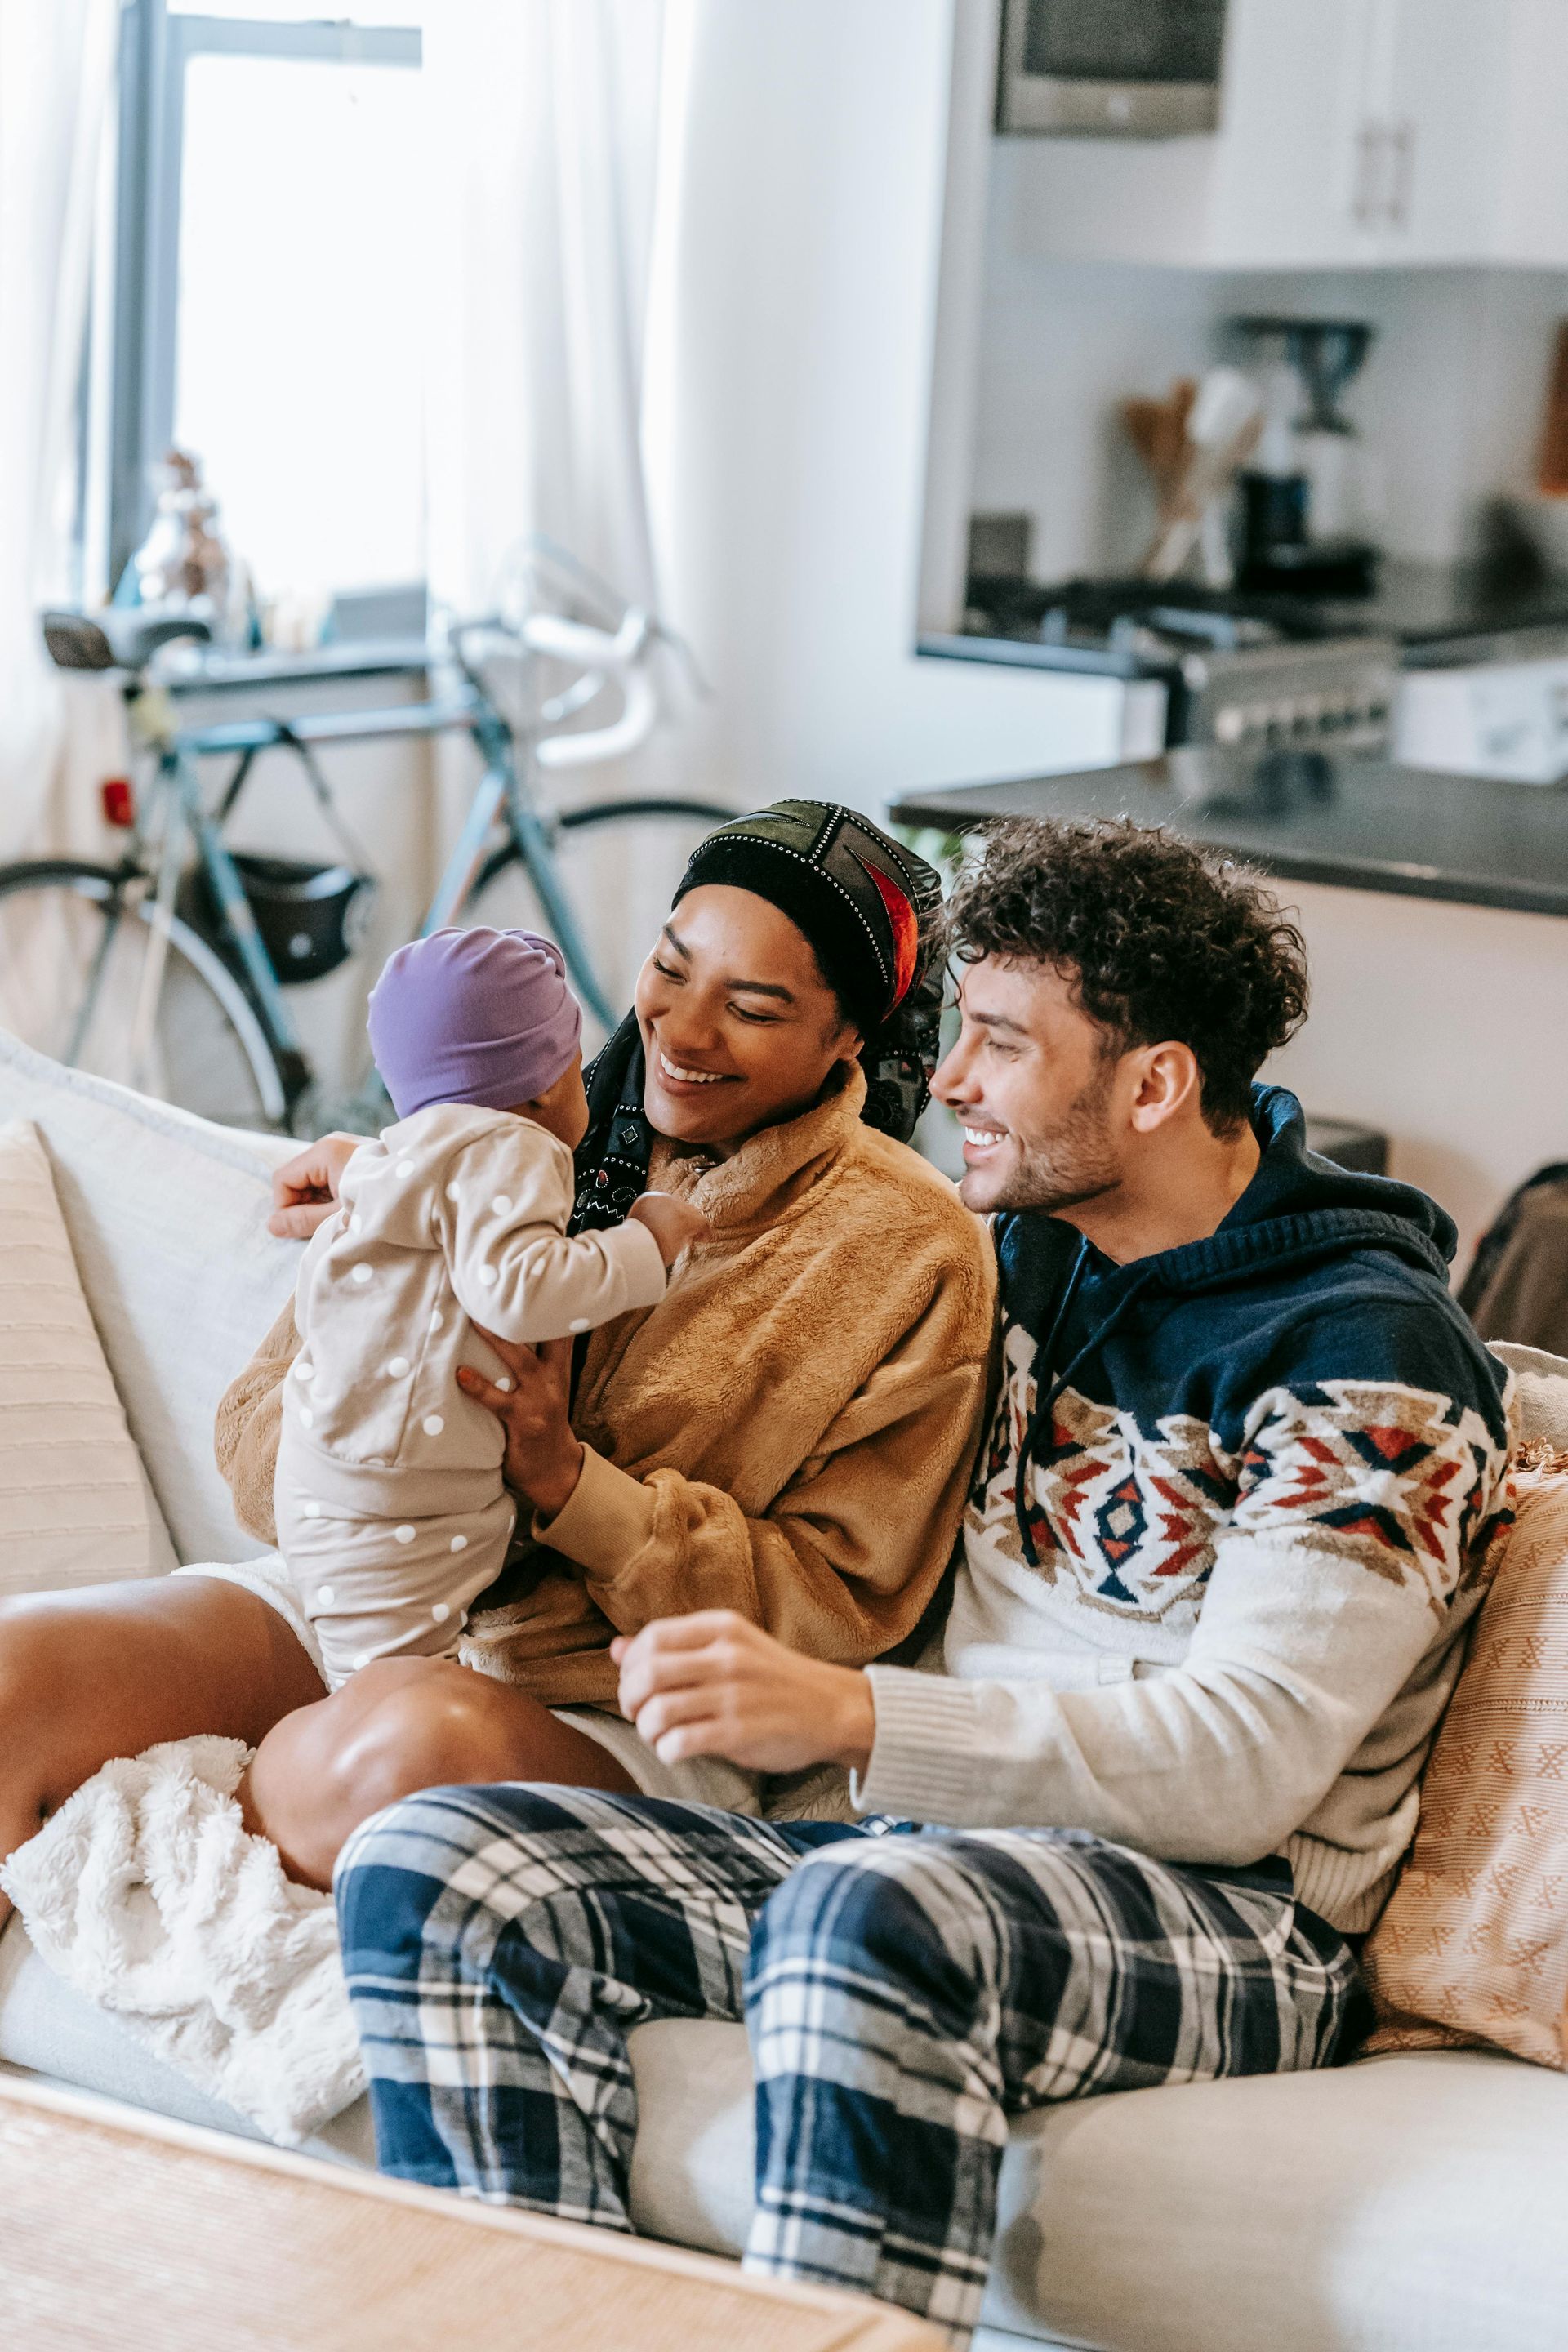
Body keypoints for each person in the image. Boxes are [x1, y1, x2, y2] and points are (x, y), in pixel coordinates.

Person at [334, 816, 1515, 2350]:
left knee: (870, 1906)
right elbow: (738, 1231)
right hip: (933, 1855)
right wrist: (396, 1190)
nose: (947, 1078)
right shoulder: (1029, 1257)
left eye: (1001, 1044)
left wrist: (850, 1713)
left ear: (1153, 1085)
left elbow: (1247, 1765)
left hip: (1234, 1916)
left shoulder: (1369, 1360)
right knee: (438, 1864)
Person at [0, 801, 995, 1913]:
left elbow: (845, 1609)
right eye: (670, 968)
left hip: (613, 1699)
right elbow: (253, 1454)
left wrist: (571, 1488)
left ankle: (167, 1853)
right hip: (360, 1597)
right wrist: (374, 1376)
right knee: (14, 1681)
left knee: (396, 1752)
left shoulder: (909, 1250)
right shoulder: (477, 1125)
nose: (683, 1031)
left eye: (753, 1008)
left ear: (850, 1036)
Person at [275, 925, 704, 1690]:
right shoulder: (516, 1145)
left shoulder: (386, 1162)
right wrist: (646, 1245)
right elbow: (518, 1289)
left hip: (320, 1475)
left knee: (366, 1683)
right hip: (410, 1500)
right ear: (544, 1086)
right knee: (392, 1698)